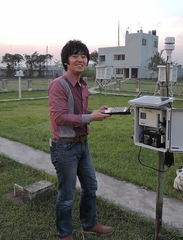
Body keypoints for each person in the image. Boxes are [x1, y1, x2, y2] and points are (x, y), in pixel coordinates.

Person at [48, 40, 113, 240]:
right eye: (75, 56)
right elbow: (59, 117)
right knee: (67, 195)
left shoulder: (82, 85)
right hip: (65, 147)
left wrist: (94, 112)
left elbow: (78, 112)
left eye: (83, 56)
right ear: (66, 61)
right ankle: (65, 234)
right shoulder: (58, 85)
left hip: (82, 144)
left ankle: (89, 223)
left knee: (90, 187)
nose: (80, 59)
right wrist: (89, 118)